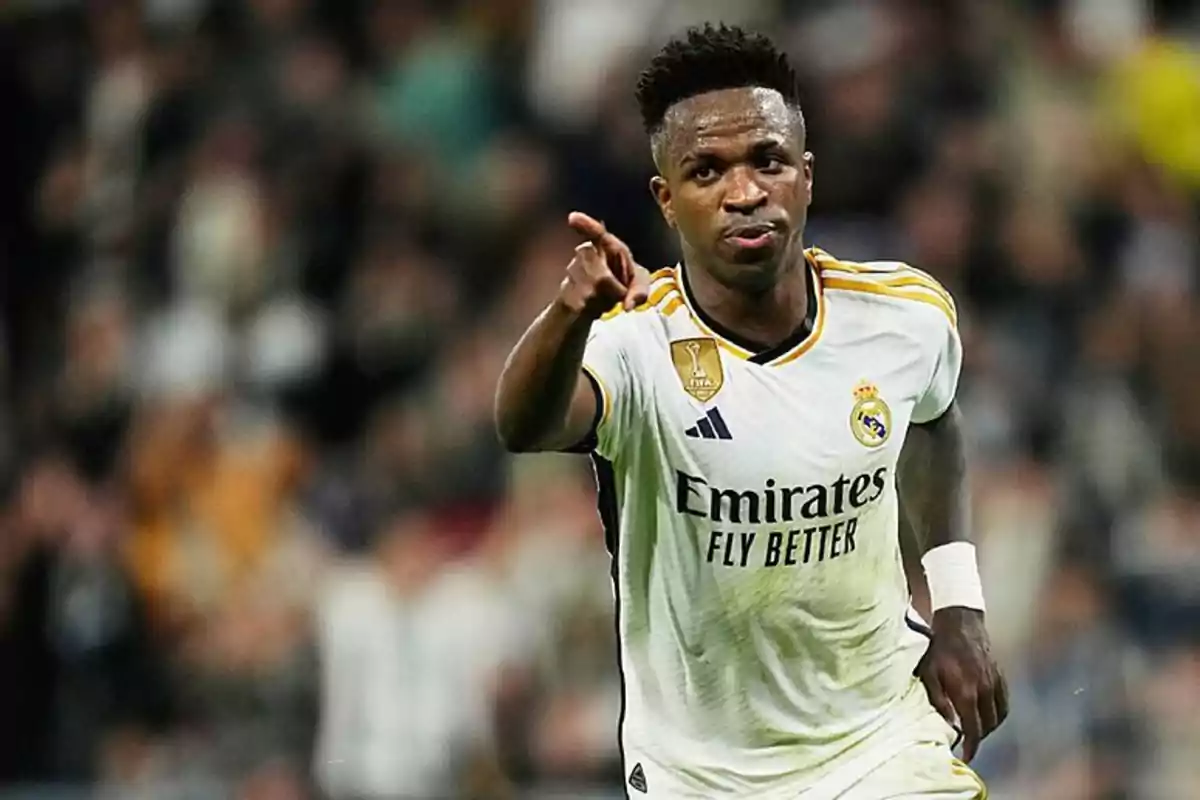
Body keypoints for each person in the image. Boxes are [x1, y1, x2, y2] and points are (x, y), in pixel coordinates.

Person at [494, 23, 1007, 799]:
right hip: (703, 772)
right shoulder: (634, 344)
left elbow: (934, 422)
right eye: (707, 171)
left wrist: (959, 604)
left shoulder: (903, 317)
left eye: (767, 161)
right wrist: (568, 314)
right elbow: (524, 425)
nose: (744, 192)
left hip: (879, 737)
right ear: (666, 200)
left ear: (806, 176)